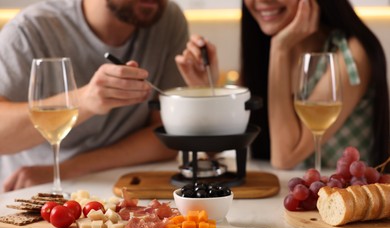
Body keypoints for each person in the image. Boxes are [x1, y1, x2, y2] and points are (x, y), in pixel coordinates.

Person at [175, 0, 390, 170]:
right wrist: (205, 90)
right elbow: (223, 146)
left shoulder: (350, 54)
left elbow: (284, 159)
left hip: (344, 205)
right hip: (291, 203)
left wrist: (280, 47)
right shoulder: (260, 52)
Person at [0, 0, 189, 192]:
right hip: (33, 194)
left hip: (121, 186)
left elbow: (168, 137)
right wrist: (84, 101)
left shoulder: (164, 18)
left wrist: (69, 169)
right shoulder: (28, 30)